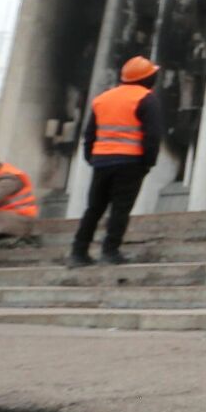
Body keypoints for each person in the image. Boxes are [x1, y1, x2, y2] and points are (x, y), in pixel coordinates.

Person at [69, 55, 165, 267]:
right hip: (130, 162)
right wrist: (148, 163)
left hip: (102, 161)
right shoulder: (146, 99)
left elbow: (89, 135)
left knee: (94, 208)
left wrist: (92, 159)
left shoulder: (102, 99)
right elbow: (153, 135)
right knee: (120, 209)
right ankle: (110, 251)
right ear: (149, 78)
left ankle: (78, 252)